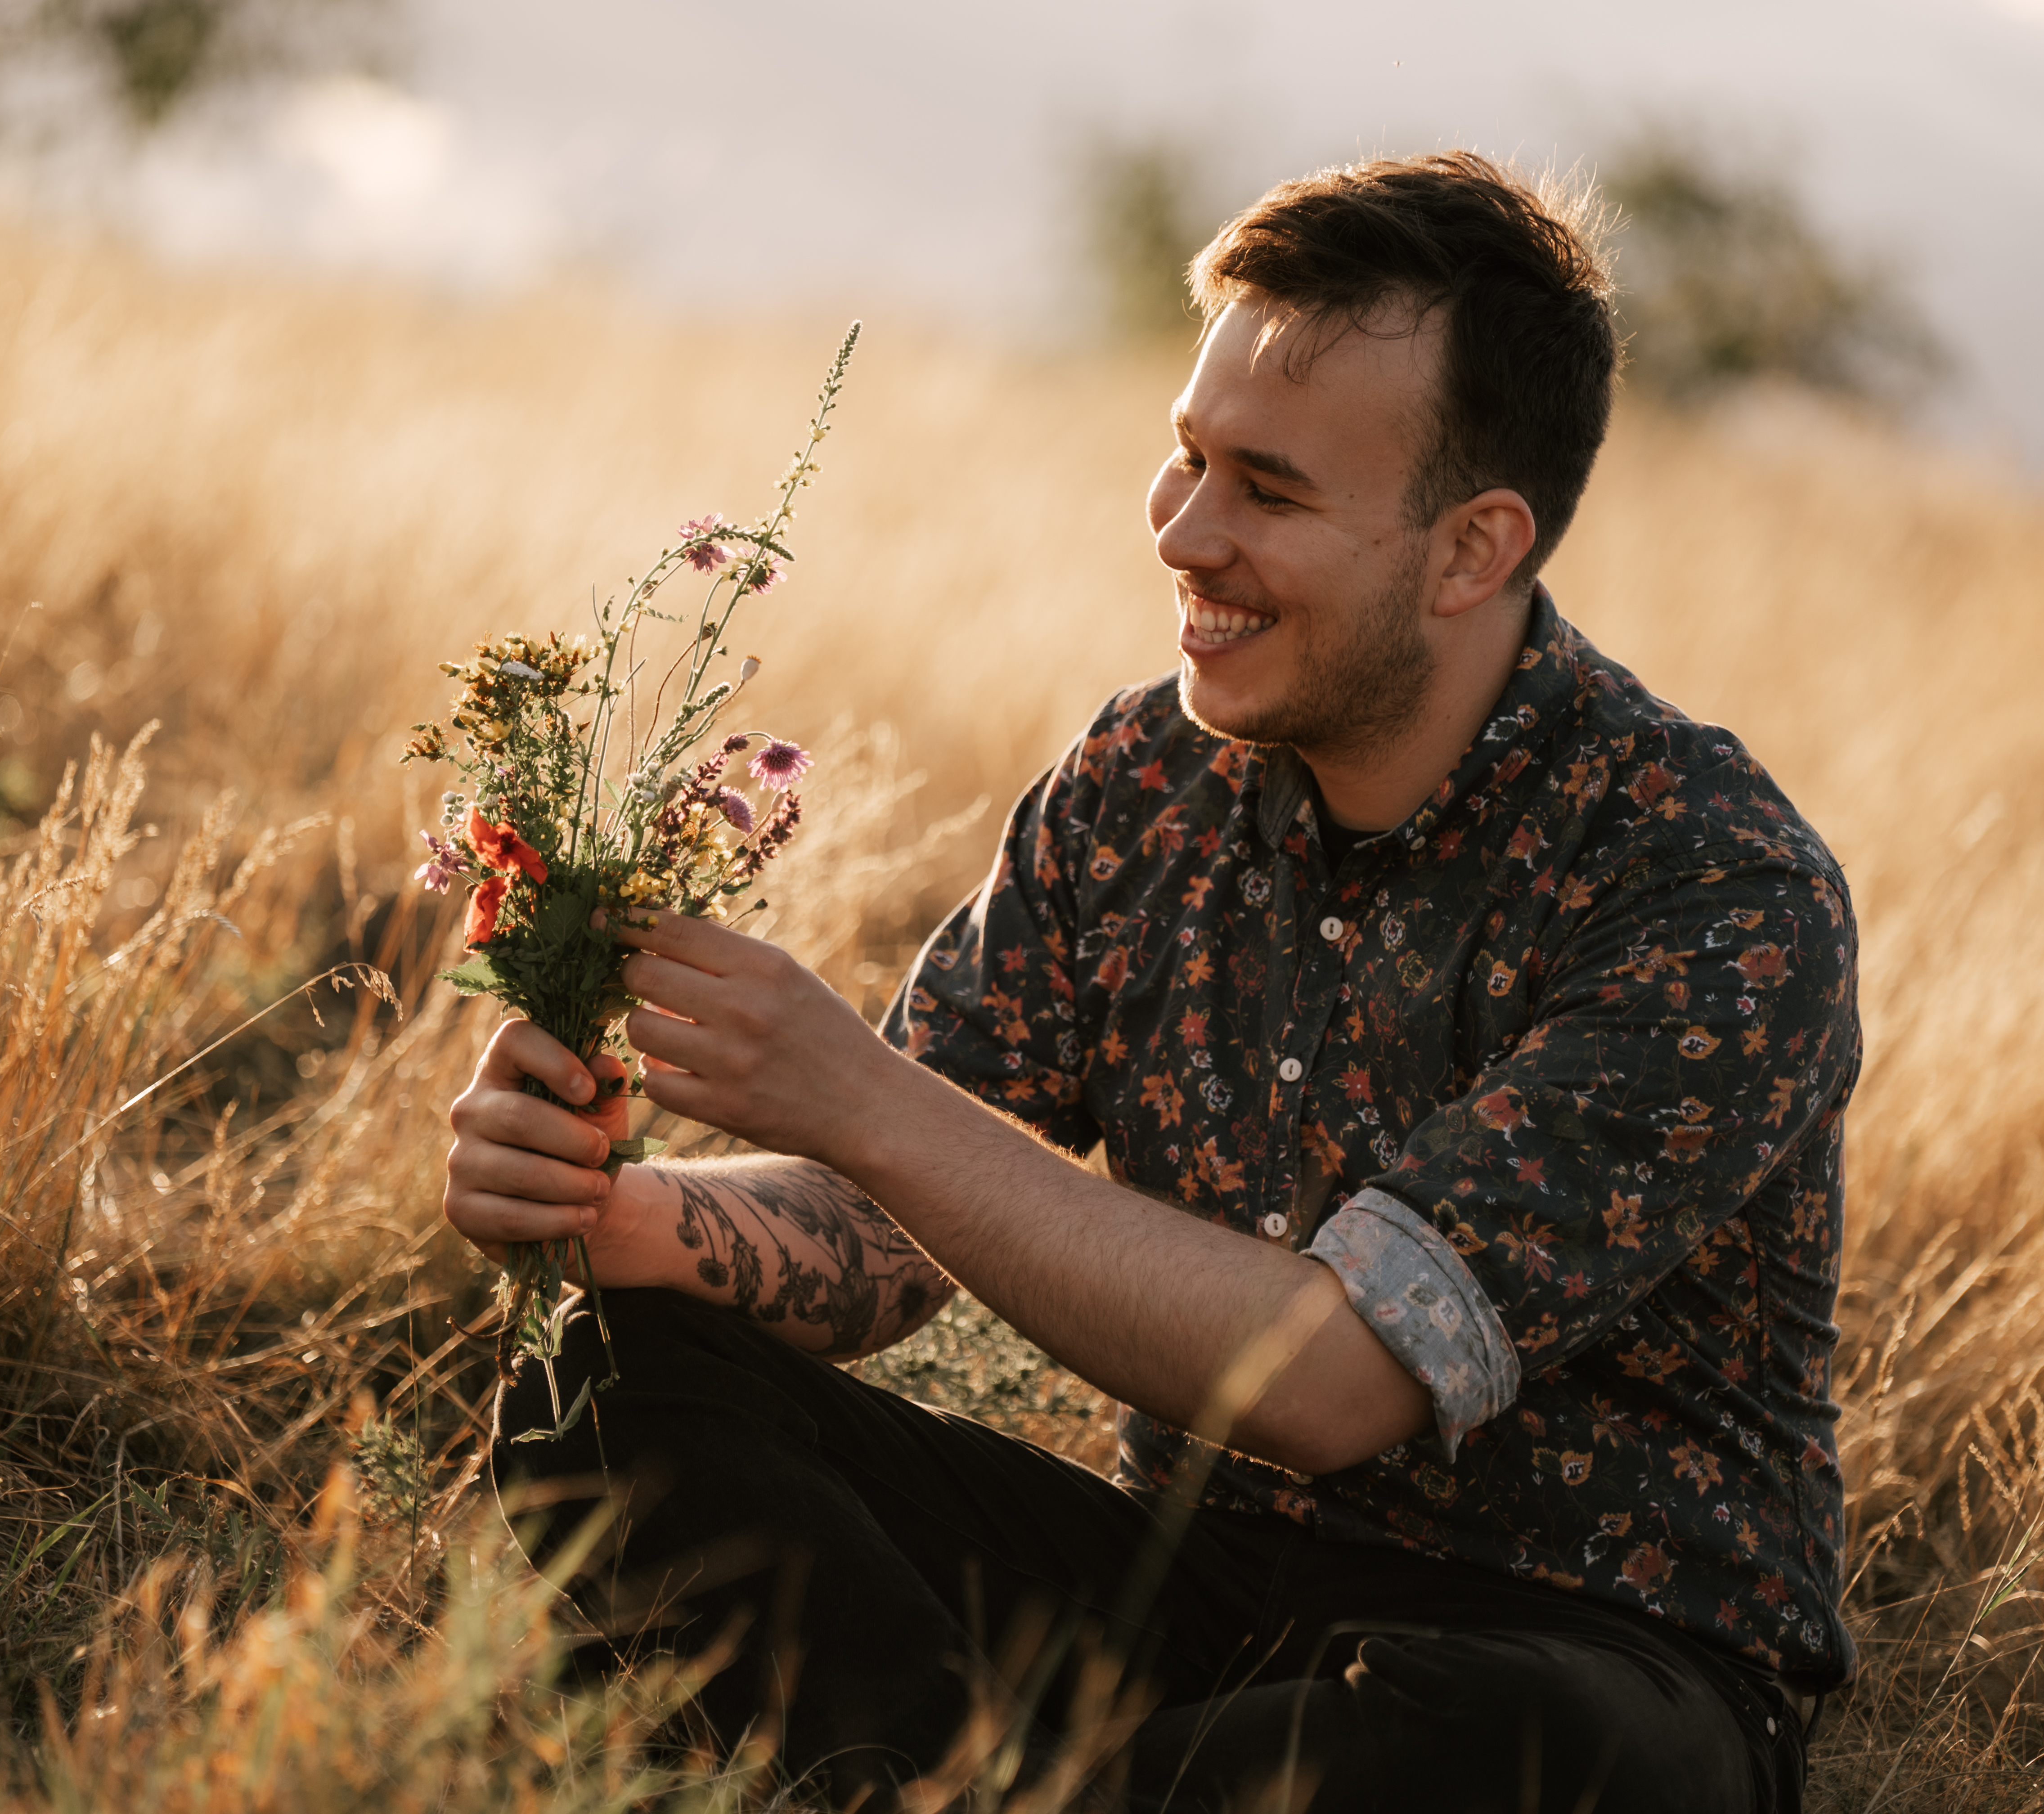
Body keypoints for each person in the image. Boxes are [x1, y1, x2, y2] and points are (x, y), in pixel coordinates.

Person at [443, 150, 1861, 1813]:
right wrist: (625, 1214)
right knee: (598, 1380)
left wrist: (860, 1096)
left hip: (1583, 1657)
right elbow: (890, 1236)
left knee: (1502, 1750)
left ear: (1473, 549)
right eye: (1184, 458)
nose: (1184, 532)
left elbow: (1335, 1385)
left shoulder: (1708, 882)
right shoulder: (1138, 784)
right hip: (1201, 1591)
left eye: (1267, 490)